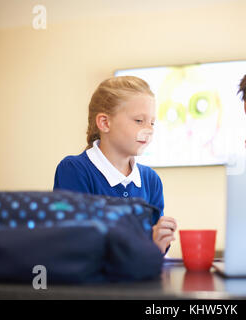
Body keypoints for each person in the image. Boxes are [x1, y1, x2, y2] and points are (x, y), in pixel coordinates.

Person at [54, 76, 177, 254]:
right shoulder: (74, 170)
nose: (149, 129)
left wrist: (159, 241)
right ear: (105, 122)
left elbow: (153, 252)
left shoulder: (151, 180)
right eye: (138, 121)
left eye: (152, 123)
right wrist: (143, 243)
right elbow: (76, 246)